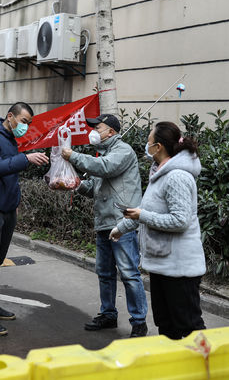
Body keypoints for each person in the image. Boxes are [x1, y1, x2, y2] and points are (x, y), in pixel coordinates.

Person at [111, 121, 206, 339]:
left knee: (189, 326)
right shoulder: (160, 173)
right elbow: (146, 210)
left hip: (179, 268)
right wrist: (122, 227)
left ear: (159, 146)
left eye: (149, 142)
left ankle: (204, 369)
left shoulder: (177, 177)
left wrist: (141, 216)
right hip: (163, 265)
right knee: (166, 326)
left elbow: (180, 220)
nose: (147, 146)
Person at [61, 113, 149, 338]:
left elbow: (106, 168)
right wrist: (75, 184)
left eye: (97, 128)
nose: (93, 132)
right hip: (104, 223)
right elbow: (94, 187)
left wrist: (72, 156)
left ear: (111, 131)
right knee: (105, 273)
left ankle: (139, 322)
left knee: (129, 274)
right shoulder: (104, 153)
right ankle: (108, 314)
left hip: (123, 223)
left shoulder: (122, 151)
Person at [0, 102, 49, 335]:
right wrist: (26, 159)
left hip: (6, 208)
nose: (25, 127)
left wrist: (14, 203)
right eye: (23, 121)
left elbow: (10, 176)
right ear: (10, 117)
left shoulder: (8, 138)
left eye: (28, 123)